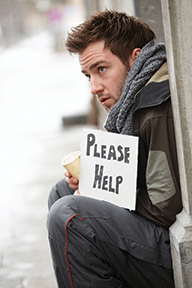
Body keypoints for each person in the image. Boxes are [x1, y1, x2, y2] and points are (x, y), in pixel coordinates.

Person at [47, 9, 182, 288]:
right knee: (62, 192)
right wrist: (95, 178)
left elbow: (163, 208)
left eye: (101, 69)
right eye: (88, 76)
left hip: (170, 249)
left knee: (69, 215)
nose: (94, 87)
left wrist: (100, 195)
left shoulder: (155, 104)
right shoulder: (131, 101)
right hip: (151, 233)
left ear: (135, 58)